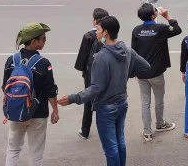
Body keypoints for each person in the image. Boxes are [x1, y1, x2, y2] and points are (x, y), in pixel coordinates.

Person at [59, 16, 150, 166]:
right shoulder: (127, 50)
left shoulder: (101, 57)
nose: (96, 32)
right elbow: (145, 66)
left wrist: (72, 98)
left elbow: (96, 88)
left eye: (99, 29)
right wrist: (126, 73)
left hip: (106, 107)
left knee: (111, 147)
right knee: (120, 141)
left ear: (106, 32)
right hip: (122, 103)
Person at [3, 23, 59, 166]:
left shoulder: (11, 60)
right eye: (43, 39)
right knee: (36, 153)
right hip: (38, 113)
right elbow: (50, 90)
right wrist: (55, 111)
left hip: (16, 113)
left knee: (13, 150)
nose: (45, 41)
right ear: (34, 42)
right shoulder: (44, 63)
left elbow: (5, 87)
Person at [131, 4, 181, 142]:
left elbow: (133, 52)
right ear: (153, 15)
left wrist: (134, 70)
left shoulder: (136, 30)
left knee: (145, 102)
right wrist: (167, 16)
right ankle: (160, 123)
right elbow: (177, 29)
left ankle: (147, 132)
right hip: (157, 72)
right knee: (159, 100)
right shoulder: (160, 29)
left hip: (141, 73)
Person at [73, 8, 110, 140]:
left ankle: (85, 130)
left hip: (90, 73)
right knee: (104, 100)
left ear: (94, 21)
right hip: (105, 72)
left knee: (88, 99)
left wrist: (83, 70)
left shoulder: (88, 35)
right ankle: (105, 130)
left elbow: (82, 57)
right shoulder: (108, 34)